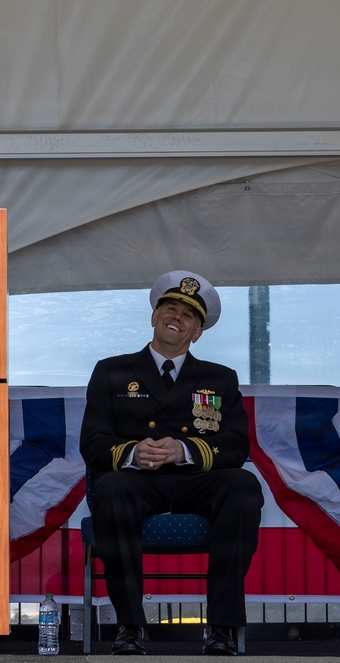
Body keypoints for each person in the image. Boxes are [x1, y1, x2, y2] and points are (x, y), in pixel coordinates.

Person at [79, 271, 264, 656]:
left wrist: (185, 450)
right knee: (110, 487)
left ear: (197, 331)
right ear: (153, 316)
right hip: (136, 482)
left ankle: (221, 627)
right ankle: (130, 626)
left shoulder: (220, 378)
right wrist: (132, 452)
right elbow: (93, 444)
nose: (175, 316)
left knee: (243, 486)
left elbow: (235, 445)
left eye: (188, 315)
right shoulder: (112, 371)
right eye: (169, 307)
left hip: (195, 481)